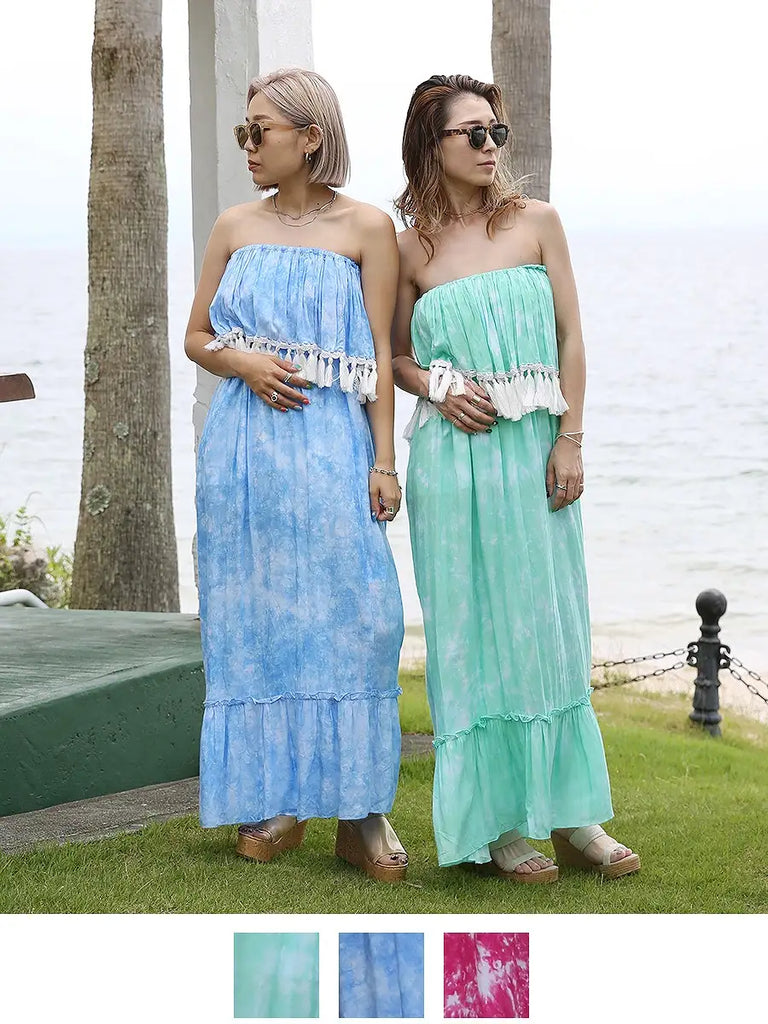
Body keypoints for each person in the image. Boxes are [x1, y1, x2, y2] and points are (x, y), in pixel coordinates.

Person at [392, 74, 640, 881]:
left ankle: (574, 816)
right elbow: (395, 355)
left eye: (496, 130)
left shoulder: (538, 222)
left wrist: (571, 438)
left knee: (550, 623)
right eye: (473, 132)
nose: (490, 145)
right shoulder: (410, 248)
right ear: (431, 144)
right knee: (471, 634)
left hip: (534, 453)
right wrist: (436, 384)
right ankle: (497, 825)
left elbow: (572, 338)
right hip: (453, 463)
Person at [184, 67, 408, 882]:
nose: (248, 145)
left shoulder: (368, 228)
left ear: (311, 137)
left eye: (260, 131)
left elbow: (379, 354)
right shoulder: (235, 225)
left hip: (334, 446)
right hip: (244, 452)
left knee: (361, 617)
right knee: (259, 620)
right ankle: (277, 799)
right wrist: (239, 361)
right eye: (243, 132)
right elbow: (196, 335)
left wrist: (385, 461)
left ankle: (362, 810)